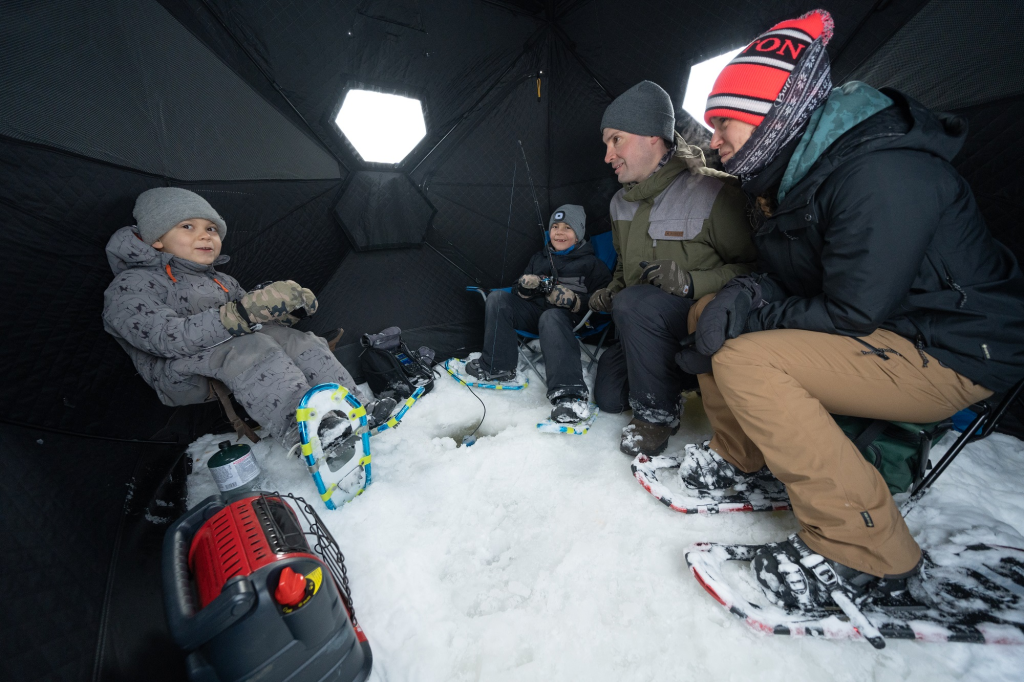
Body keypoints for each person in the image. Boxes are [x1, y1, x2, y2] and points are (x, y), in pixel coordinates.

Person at [675, 8, 1024, 610]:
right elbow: (806, 281)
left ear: (772, 113)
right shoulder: (795, 178)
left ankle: (865, 552)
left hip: (954, 349)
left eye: (724, 121)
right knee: (709, 310)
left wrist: (753, 313)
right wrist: (748, 294)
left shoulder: (881, 172)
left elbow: (850, 310)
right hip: (890, 328)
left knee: (748, 360)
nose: (713, 140)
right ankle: (745, 461)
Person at [103, 187, 393, 457]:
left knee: (294, 340)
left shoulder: (222, 280)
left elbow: (256, 322)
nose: (205, 236)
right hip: (178, 371)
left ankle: (353, 407)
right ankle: (305, 430)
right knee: (251, 347)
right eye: (188, 226)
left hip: (232, 353)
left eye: (211, 228)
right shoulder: (131, 284)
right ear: (156, 238)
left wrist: (288, 311)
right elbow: (165, 338)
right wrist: (242, 314)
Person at [590, 80, 756, 457]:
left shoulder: (715, 192)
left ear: (653, 136)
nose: (608, 155)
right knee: (610, 397)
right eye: (606, 143)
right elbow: (624, 270)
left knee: (635, 303)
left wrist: (689, 282)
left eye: (616, 140)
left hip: (702, 327)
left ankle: (656, 416)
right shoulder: (619, 203)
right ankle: (672, 380)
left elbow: (756, 270)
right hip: (644, 329)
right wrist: (612, 291)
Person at [466, 205, 612, 423]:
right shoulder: (539, 258)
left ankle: (569, 397)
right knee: (498, 298)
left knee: (551, 316)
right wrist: (524, 287)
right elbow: (518, 289)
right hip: (535, 313)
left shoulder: (592, 264)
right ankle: (498, 367)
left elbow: (605, 301)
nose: (559, 233)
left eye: (567, 228)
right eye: (555, 227)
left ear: (579, 233)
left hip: (569, 320)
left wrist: (575, 301)